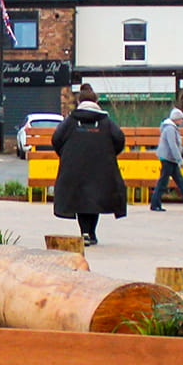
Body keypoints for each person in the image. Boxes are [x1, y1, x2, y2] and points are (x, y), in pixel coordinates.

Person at [51, 84, 126, 246]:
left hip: (75, 166)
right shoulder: (105, 121)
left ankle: (85, 232)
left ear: (79, 101)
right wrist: (108, 154)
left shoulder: (71, 121)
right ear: (96, 102)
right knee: (94, 198)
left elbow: (56, 139)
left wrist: (66, 154)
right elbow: (119, 139)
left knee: (81, 199)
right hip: (101, 167)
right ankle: (91, 232)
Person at [149, 108, 183, 212]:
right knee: (163, 181)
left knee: (180, 181)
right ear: (176, 119)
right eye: (181, 119)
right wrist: (179, 160)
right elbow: (173, 145)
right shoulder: (170, 129)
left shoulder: (171, 127)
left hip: (170, 158)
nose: (182, 120)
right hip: (168, 158)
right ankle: (155, 204)